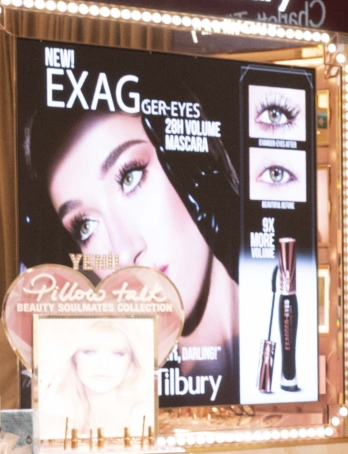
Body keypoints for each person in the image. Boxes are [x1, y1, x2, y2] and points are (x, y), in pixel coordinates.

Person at [20, 66, 241, 403]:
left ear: (191, 160)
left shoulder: (290, 353)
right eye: (85, 225)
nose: (124, 252)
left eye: (130, 177)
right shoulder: (111, 400)